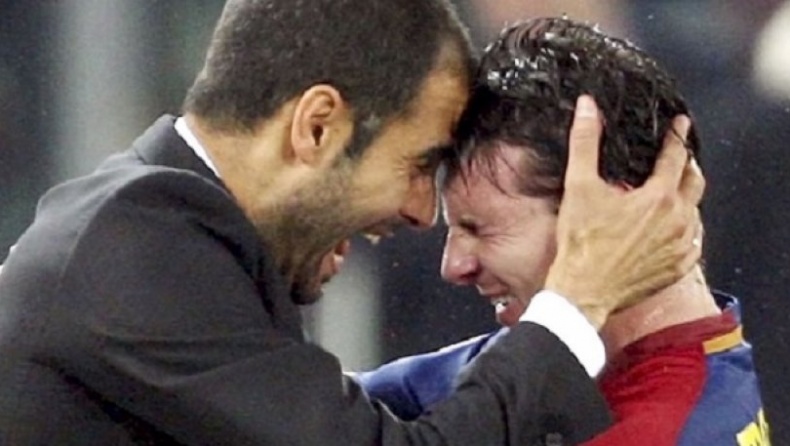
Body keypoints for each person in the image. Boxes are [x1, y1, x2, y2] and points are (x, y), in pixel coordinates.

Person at [0, 2, 703, 445]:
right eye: (419, 164)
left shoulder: (165, 232)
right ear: (316, 127)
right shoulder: (139, 254)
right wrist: (577, 301)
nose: (421, 213)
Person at [356, 18, 769, 445]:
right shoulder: (594, 363)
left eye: (479, 229)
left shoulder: (657, 431)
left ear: (614, 216)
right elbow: (337, 413)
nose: (454, 266)